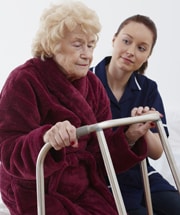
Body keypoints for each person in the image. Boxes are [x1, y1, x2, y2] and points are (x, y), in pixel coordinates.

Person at [0, 3, 156, 215]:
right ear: (52, 44)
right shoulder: (23, 80)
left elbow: (101, 159)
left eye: (91, 46)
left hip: (82, 185)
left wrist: (130, 136)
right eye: (78, 45)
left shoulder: (93, 86)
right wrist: (46, 137)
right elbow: (9, 151)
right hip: (35, 187)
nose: (87, 55)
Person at [92, 14, 180, 214]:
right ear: (114, 40)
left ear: (148, 55)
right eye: (126, 41)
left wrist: (144, 128)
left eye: (141, 48)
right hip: (104, 179)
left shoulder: (148, 88)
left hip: (142, 175)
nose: (131, 51)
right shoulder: (87, 81)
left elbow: (157, 153)